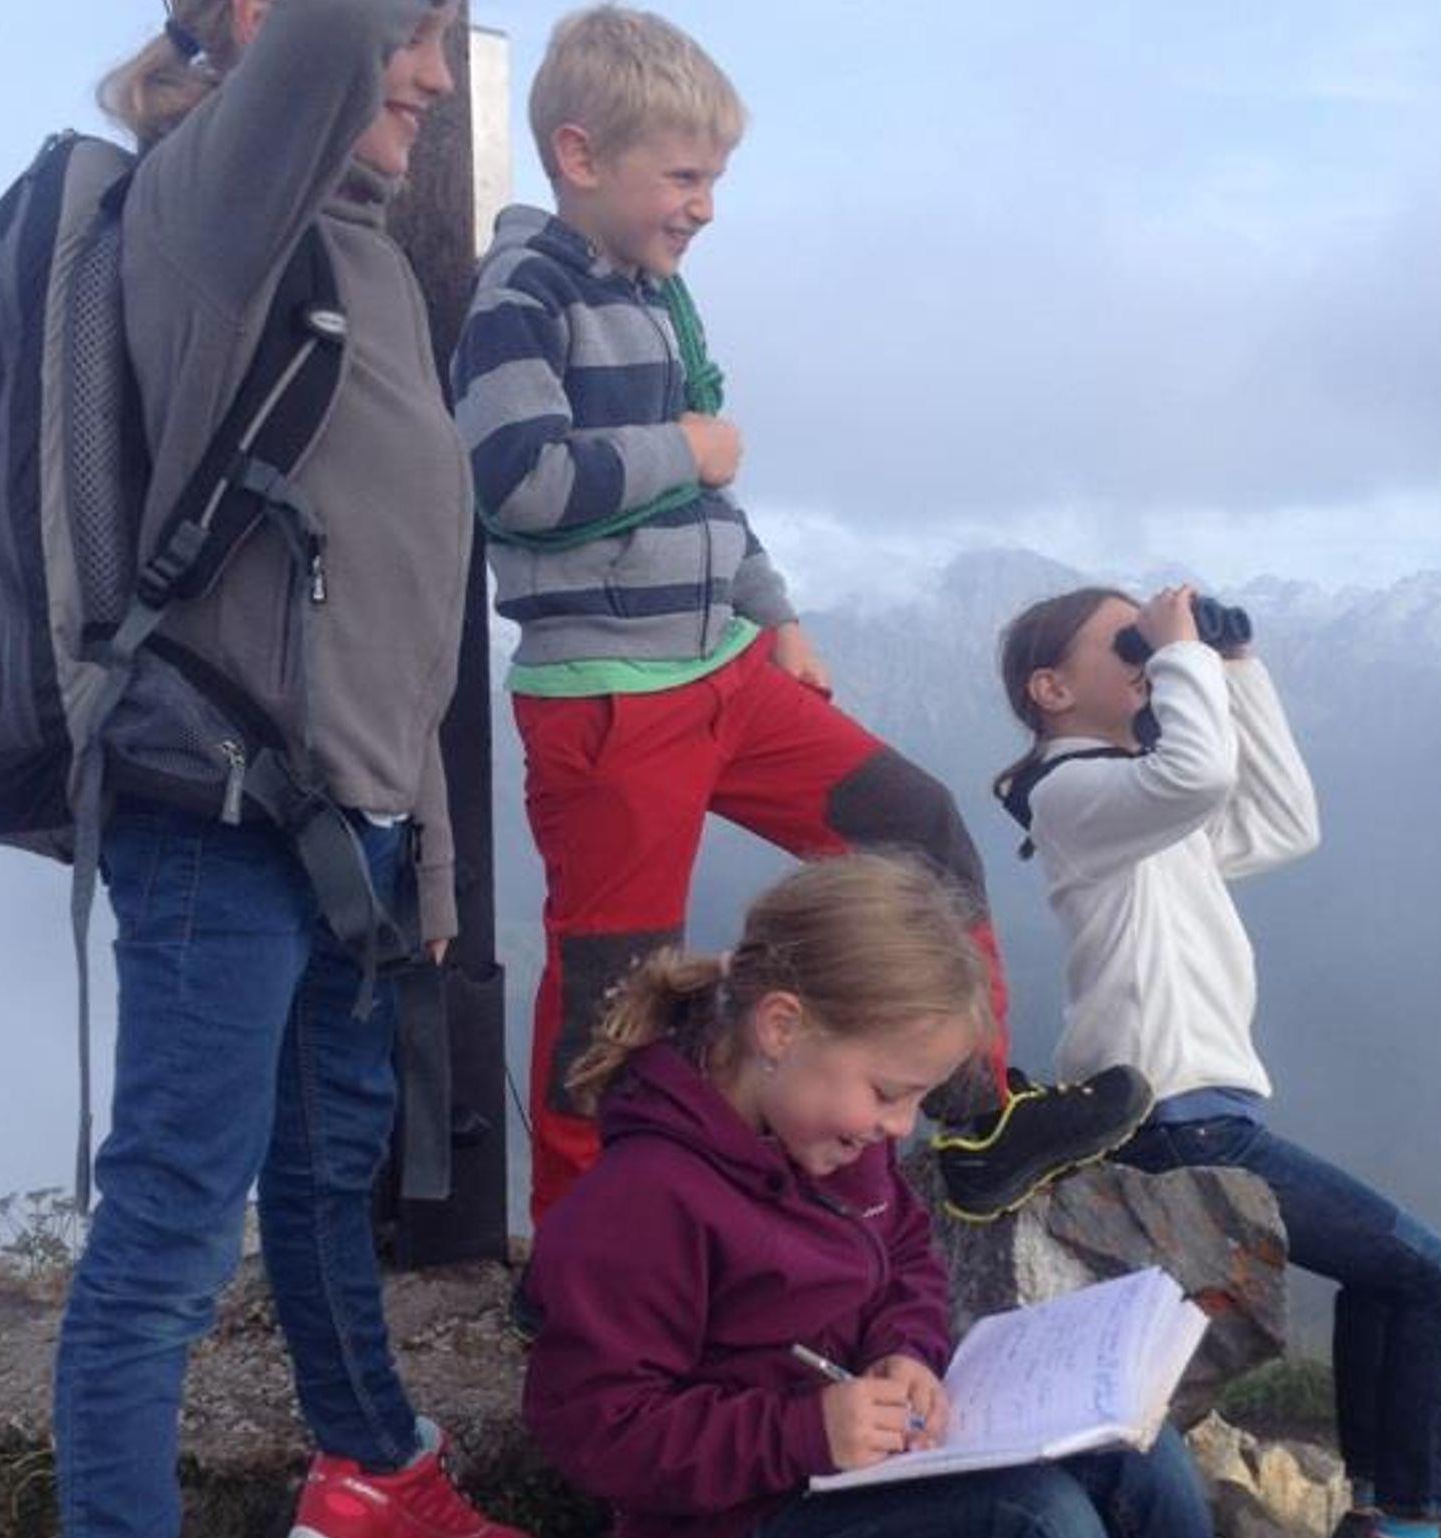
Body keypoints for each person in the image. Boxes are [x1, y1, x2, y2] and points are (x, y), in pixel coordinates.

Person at [449, 5, 1148, 1225]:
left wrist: (774, 613)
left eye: (713, 179)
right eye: (683, 176)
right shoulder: (521, 295)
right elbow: (514, 480)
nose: (704, 205)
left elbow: (703, 492)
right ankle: (577, 1249)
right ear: (579, 155)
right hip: (610, 702)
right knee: (615, 982)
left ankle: (976, 1111)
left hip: (725, 671)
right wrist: (685, 444)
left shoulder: (656, 295)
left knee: (914, 824)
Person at [59, 4, 522, 1536]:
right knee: (170, 1233)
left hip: (353, 830)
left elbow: (408, 603)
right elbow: (323, 45)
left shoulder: (366, 257)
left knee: (326, 1177)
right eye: (413, 32)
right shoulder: (219, 206)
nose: (436, 74)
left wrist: (430, 854)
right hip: (223, 818)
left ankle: (371, 1469)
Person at [519, 853, 1213, 1538]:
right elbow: (593, 1431)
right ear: (781, 1028)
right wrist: (802, 1432)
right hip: (740, 1512)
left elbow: (905, 1253)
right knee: (1035, 1518)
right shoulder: (643, 1199)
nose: (902, 1126)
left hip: (857, 1466)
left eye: (916, 1099)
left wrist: (904, 1349)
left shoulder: (836, 1140)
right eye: (887, 1093)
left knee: (1138, 1455)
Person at [995, 584, 1441, 1538]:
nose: (1145, 653)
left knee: (1399, 1280)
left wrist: (1236, 667)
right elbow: (1198, 775)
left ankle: (1383, 1511)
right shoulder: (1073, 793)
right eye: (1125, 643)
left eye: (1146, 641)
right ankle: (1405, 1522)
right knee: (1435, 1277)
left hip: (1202, 1113)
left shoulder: (1130, 800)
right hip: (1177, 1117)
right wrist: (1181, 655)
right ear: (1051, 689)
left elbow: (1284, 822)